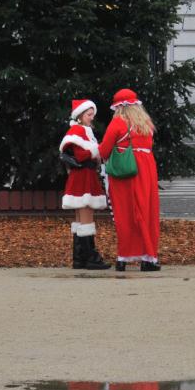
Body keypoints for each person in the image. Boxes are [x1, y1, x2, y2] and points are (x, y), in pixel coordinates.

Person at [100, 88, 161, 272]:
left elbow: (104, 151)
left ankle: (123, 258)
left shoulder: (118, 123)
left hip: (124, 173)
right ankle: (148, 258)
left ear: (118, 107)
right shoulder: (146, 123)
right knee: (147, 211)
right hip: (146, 170)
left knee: (125, 214)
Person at [60, 98, 109, 271]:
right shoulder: (78, 130)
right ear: (80, 115)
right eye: (89, 114)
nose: (92, 117)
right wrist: (99, 150)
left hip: (82, 175)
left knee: (81, 217)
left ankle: (79, 257)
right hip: (84, 176)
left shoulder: (82, 130)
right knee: (86, 214)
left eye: (92, 114)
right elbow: (81, 155)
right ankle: (91, 258)